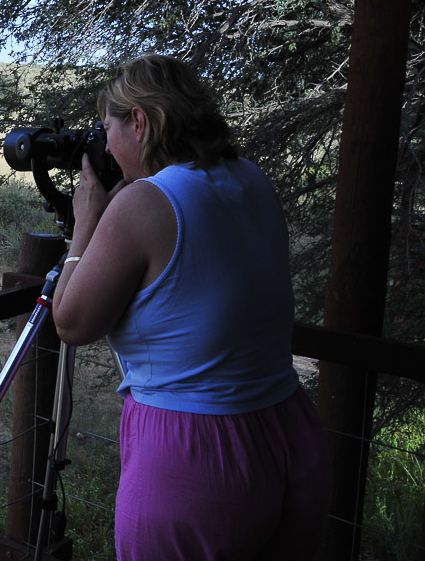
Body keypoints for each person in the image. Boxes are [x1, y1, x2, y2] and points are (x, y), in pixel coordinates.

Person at [51, 55, 331, 560]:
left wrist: (88, 221)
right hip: (289, 431)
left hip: (197, 456)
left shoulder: (143, 203)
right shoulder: (248, 178)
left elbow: (70, 322)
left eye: (106, 126)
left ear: (138, 120)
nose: (105, 142)